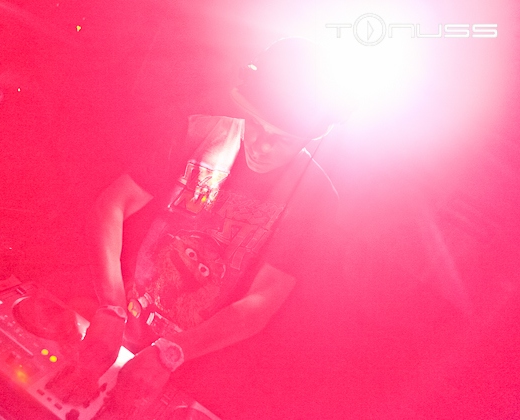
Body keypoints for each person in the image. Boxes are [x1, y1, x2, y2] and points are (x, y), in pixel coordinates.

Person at [51, 37, 347, 418]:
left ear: (311, 138)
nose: (260, 144)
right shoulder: (200, 131)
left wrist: (172, 353)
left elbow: (261, 303)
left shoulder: (314, 197)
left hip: (193, 370)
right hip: (122, 327)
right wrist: (111, 307)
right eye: (255, 123)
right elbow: (112, 204)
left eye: (281, 139)